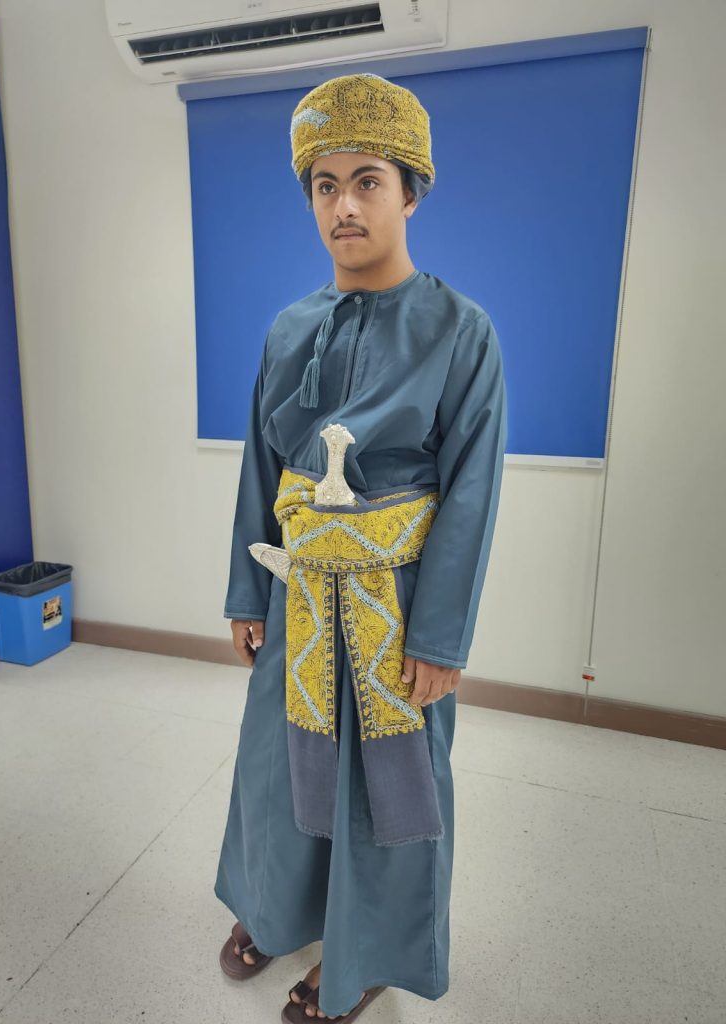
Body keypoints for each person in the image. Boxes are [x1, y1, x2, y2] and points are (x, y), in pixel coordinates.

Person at [214, 72, 508, 1022]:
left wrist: (442, 638)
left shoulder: (462, 332)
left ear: (410, 191)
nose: (344, 205)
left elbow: (471, 493)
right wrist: (245, 592)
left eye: (367, 181)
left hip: (396, 606)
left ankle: (365, 956)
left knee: (387, 791)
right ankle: (274, 907)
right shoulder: (288, 328)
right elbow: (261, 467)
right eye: (325, 184)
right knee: (278, 763)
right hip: (296, 592)